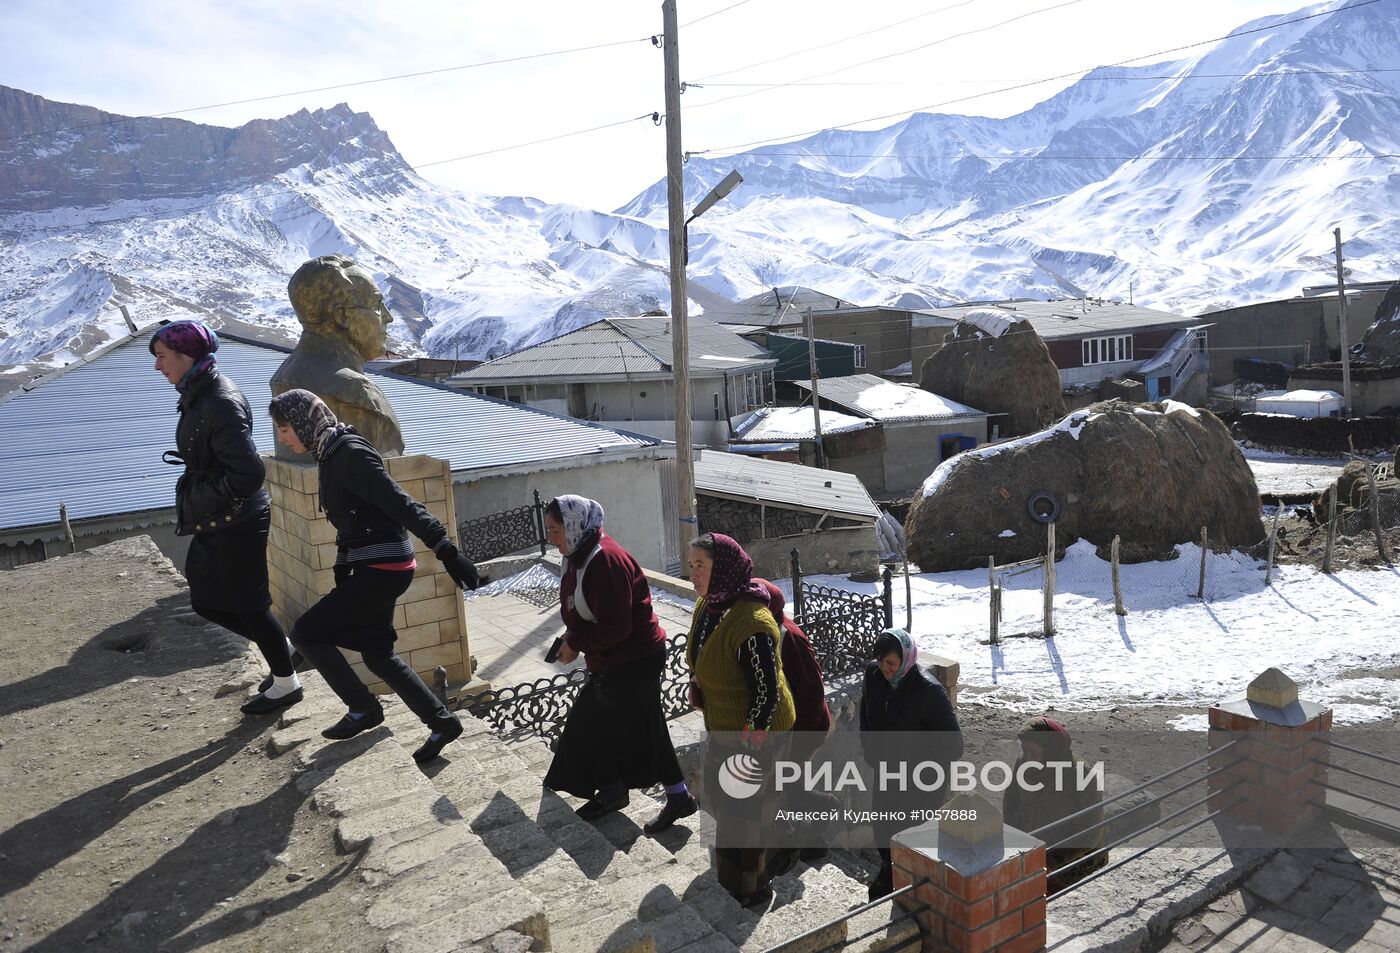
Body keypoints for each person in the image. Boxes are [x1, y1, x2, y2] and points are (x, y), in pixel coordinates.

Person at [267, 389, 478, 763]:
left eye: (284, 428)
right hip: (375, 566)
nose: (281, 437)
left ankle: (363, 708)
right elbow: (353, 521)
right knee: (377, 654)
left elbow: (401, 505)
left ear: (303, 422)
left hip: (383, 568)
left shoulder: (350, 454)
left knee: (306, 632)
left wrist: (448, 551)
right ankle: (442, 722)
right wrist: (344, 566)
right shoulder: (330, 453)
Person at [151, 320, 302, 716]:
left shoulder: (219, 400)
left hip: (237, 520)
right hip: (218, 517)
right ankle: (285, 650)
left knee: (249, 604)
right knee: (206, 601)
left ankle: (286, 683)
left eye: (162, 357)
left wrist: (200, 496)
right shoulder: (198, 392)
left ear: (187, 356)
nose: (157, 367)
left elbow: (248, 474)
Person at [540, 496, 696, 833]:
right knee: (635, 725)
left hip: (634, 658)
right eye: (549, 531)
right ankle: (671, 795)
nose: (551, 538)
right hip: (617, 659)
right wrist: (570, 640)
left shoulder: (604, 561)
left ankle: (616, 791)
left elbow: (616, 627)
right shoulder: (576, 555)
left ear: (574, 526)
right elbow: (581, 608)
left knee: (600, 723)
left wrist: (576, 645)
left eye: (555, 530)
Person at [685, 533, 797, 907]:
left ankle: (754, 887)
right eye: (691, 566)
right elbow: (704, 652)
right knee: (725, 808)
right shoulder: (709, 606)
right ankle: (735, 876)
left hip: (759, 732)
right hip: (725, 728)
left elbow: (768, 694)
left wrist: (749, 749)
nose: (694, 573)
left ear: (724, 569)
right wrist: (700, 681)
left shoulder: (753, 623)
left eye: (701, 565)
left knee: (748, 814)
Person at [859, 628, 963, 901]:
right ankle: (888, 871)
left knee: (912, 837)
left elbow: (953, 745)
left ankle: (912, 889)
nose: (885, 669)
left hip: (919, 783)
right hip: (886, 772)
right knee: (883, 830)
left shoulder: (929, 691)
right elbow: (866, 716)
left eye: (891, 663)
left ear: (905, 658)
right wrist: (871, 751)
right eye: (880, 662)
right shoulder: (873, 675)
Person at [270, 254, 404, 457]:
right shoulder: (353, 390)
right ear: (342, 316)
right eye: (376, 305)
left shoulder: (284, 376)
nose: (388, 317)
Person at [757, 579, 834, 859]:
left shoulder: (790, 637)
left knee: (788, 783)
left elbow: (811, 691)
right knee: (787, 782)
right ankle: (807, 840)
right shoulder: (768, 633)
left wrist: (796, 735)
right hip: (791, 727)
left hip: (805, 726)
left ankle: (822, 817)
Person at [1001, 716, 1108, 894]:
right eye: (1025, 751)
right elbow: (1010, 803)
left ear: (1051, 751)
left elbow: (1090, 832)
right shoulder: (1024, 763)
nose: (1028, 759)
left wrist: (1049, 862)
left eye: (1034, 753)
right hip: (1033, 853)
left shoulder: (1080, 774)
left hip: (1071, 866)